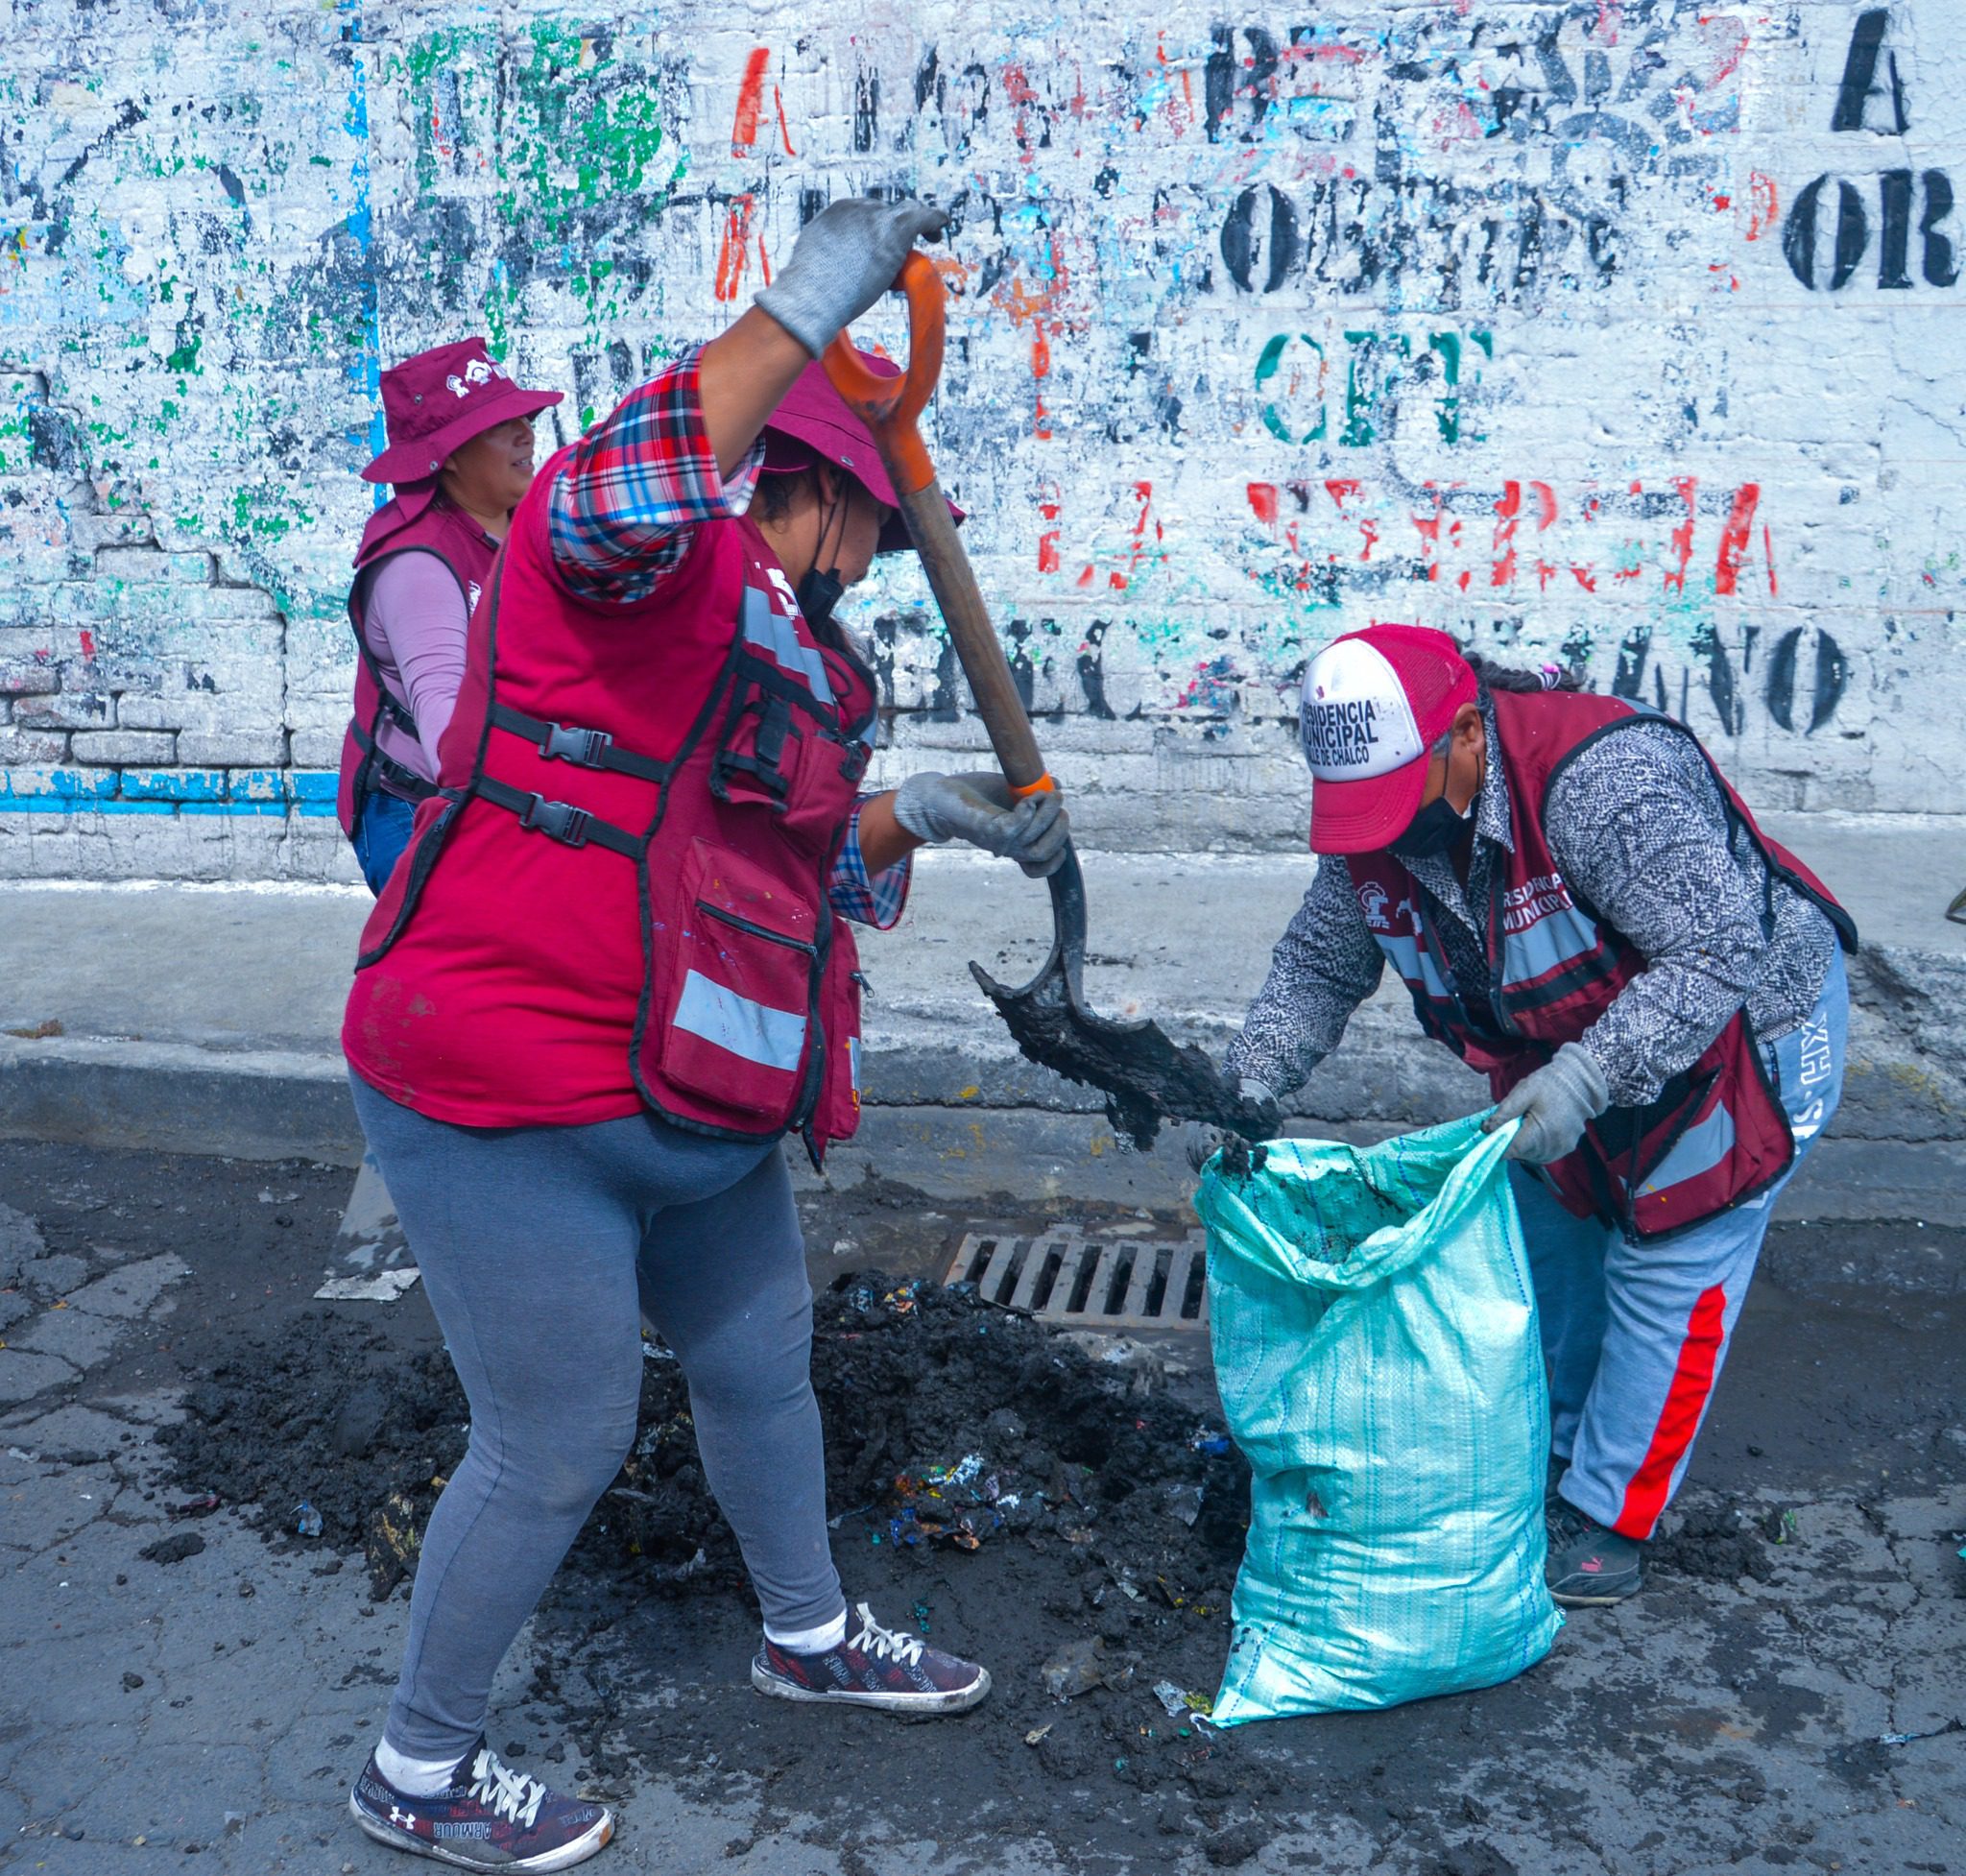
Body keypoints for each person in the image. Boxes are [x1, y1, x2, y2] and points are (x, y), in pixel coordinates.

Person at [337, 197, 1068, 1872]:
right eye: (862, 526)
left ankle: (806, 1633)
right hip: (505, 1085)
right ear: (808, 494)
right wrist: (807, 300)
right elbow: (620, 479)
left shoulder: (808, 671)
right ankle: (414, 1762)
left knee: (756, 1365)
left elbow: (799, 873)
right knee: (557, 1435)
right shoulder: (625, 564)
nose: (869, 561)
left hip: (698, 1096)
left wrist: (928, 817)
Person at [1193, 623, 1855, 1612]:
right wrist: (1245, 1093)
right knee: (1548, 1233)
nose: (1376, 835)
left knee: (1669, 1255)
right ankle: (1554, 1450)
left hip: (1744, 1030)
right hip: (1562, 1036)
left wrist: (1589, 1077)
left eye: (1392, 803)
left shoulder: (1597, 784)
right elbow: (1319, 965)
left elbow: (1718, 947)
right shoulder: (1379, 830)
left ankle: (1608, 1514)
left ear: (1464, 735)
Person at [338, 340, 563, 895]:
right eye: (499, 426)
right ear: (451, 455)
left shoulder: (532, 521)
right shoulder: (419, 565)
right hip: (414, 802)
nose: (527, 435)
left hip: (516, 773)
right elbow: (447, 725)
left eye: (524, 418)